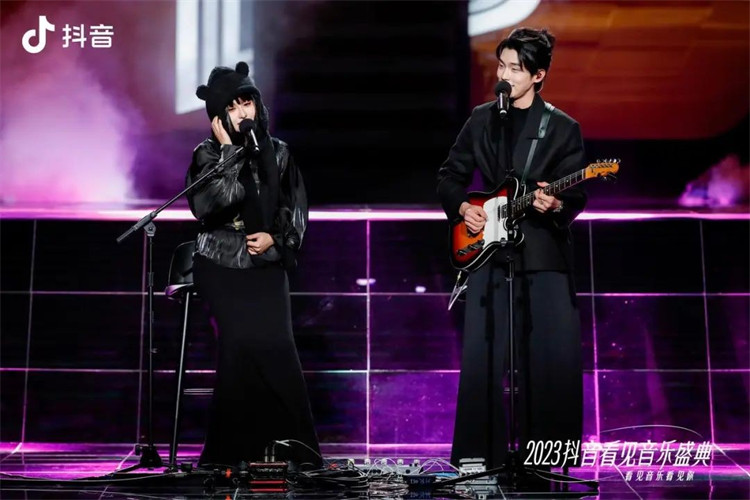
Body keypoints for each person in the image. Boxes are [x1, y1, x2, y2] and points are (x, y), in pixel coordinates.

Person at [437, 28, 586, 468]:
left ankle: (546, 460)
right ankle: (479, 457)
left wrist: (556, 203)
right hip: (489, 252)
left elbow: (577, 196)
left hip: (543, 257)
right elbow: (450, 176)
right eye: (501, 66)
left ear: (538, 75)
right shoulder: (482, 118)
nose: (505, 75)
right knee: (483, 356)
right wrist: (464, 208)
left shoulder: (562, 127)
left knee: (550, 359)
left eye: (516, 69)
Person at [186, 61, 320, 468]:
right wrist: (229, 153)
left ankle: (296, 453)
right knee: (239, 348)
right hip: (221, 264)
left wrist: (276, 241)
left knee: (279, 350)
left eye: (247, 103)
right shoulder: (207, 154)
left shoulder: (278, 152)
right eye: (232, 107)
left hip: (267, 262)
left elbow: (296, 210)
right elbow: (209, 205)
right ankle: (229, 455)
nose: (243, 112)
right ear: (218, 117)